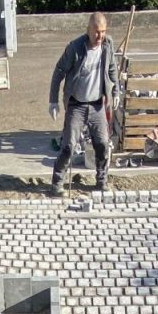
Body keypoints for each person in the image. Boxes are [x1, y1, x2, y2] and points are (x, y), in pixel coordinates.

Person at [48, 12, 117, 196]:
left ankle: (101, 180)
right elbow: (59, 71)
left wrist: (115, 92)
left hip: (97, 105)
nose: (100, 36)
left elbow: (112, 70)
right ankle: (57, 181)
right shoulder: (75, 48)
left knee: (102, 143)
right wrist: (53, 100)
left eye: (103, 32)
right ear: (88, 30)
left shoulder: (108, 45)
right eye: (96, 32)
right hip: (76, 105)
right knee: (69, 145)